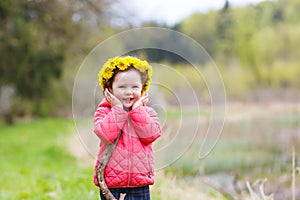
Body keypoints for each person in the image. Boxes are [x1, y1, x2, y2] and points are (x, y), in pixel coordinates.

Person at [93, 56, 162, 200]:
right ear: (110, 89)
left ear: (142, 89)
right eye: (122, 87)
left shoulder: (147, 112)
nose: (128, 92)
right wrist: (118, 109)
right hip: (112, 184)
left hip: (140, 183)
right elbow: (106, 135)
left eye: (134, 87)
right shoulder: (104, 112)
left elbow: (152, 134)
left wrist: (137, 110)